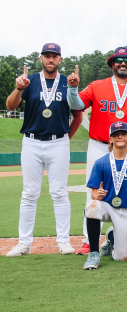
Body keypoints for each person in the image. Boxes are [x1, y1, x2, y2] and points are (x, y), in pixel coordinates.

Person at [67, 46, 127, 255]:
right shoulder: (96, 85)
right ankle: (89, 239)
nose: (123, 63)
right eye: (119, 60)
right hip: (100, 144)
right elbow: (76, 105)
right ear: (112, 64)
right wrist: (72, 89)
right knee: (94, 191)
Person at [5, 43, 83, 257]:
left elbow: (78, 115)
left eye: (54, 56)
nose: (50, 59)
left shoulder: (68, 83)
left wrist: (67, 137)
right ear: (41, 58)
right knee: (29, 193)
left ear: (60, 59)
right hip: (31, 141)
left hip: (58, 142)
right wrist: (19, 88)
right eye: (47, 56)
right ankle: (24, 243)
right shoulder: (29, 81)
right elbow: (11, 106)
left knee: (59, 192)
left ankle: (64, 242)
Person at [82, 122, 127, 270]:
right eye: (115, 134)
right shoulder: (101, 163)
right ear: (110, 139)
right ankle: (94, 253)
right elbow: (94, 192)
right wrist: (97, 195)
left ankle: (111, 238)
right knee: (92, 206)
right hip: (106, 207)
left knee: (122, 258)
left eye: (123, 134)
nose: (119, 136)